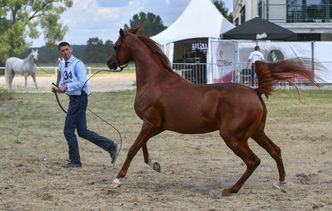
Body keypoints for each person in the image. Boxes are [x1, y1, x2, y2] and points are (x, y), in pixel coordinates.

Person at [52, 41, 118, 168]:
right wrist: (58, 89)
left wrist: (67, 86)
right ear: (59, 53)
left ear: (71, 49)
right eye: (62, 51)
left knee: (68, 131)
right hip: (74, 99)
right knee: (82, 131)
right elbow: (63, 84)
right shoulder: (63, 65)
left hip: (79, 99)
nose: (65, 52)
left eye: (67, 49)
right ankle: (110, 146)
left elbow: (83, 82)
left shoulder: (78, 64)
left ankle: (75, 161)